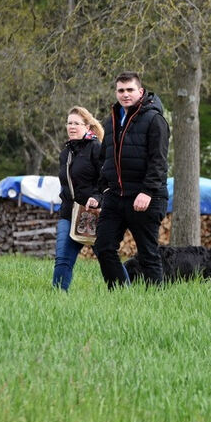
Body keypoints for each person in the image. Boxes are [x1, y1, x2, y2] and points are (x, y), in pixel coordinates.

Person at [85, 72, 170, 288]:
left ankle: (155, 303)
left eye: (130, 90)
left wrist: (148, 192)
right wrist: (103, 190)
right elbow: (105, 159)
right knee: (103, 246)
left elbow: (158, 161)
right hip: (115, 196)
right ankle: (121, 292)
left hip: (145, 197)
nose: (125, 94)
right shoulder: (112, 121)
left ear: (140, 92)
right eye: (121, 90)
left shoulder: (155, 119)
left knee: (148, 254)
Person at [52, 106, 104, 291]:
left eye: (77, 123)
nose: (72, 127)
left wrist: (97, 197)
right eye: (69, 123)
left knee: (107, 258)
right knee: (62, 258)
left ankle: (124, 292)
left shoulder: (96, 148)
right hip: (69, 213)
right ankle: (57, 297)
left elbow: (106, 179)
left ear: (87, 126)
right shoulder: (66, 152)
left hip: (94, 212)